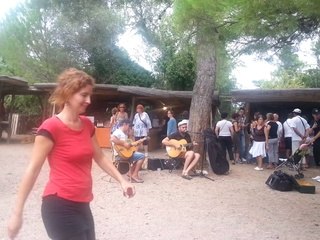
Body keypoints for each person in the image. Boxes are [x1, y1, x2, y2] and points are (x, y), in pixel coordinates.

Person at [7, 68, 135, 240]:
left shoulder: (87, 125)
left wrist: (122, 180)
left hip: (83, 204)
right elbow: (33, 170)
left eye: (90, 95)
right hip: (59, 206)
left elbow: (100, 157)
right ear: (68, 94)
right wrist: (17, 213)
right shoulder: (50, 128)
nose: (89, 100)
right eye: (83, 95)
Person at [111, 119, 145, 183]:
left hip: (125, 154)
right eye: (129, 126)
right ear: (124, 124)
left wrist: (137, 142)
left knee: (139, 155)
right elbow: (112, 139)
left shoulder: (125, 135)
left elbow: (130, 146)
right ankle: (134, 175)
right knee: (142, 156)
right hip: (120, 155)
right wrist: (124, 143)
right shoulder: (118, 132)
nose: (129, 128)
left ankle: (130, 173)